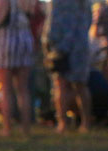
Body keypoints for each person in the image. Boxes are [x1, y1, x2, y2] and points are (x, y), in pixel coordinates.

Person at [0, 0, 36, 136]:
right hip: (25, 42)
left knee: (6, 89)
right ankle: (26, 128)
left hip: (7, 43)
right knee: (23, 89)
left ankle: (7, 127)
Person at [44, 0, 93, 133]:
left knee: (61, 84)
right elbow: (89, 19)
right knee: (80, 85)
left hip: (62, 45)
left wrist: (49, 43)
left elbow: (53, 22)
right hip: (80, 43)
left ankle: (63, 123)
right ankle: (85, 123)